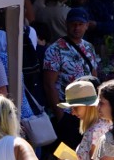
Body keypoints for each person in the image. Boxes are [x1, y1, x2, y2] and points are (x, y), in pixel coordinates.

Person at [42, 8, 99, 151]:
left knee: (83, 156)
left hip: (87, 114)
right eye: (73, 24)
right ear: (66, 24)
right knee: (60, 155)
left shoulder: (89, 47)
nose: (77, 27)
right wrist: (60, 116)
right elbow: (49, 84)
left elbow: (94, 75)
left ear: (86, 26)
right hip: (67, 113)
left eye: (80, 24)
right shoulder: (55, 49)